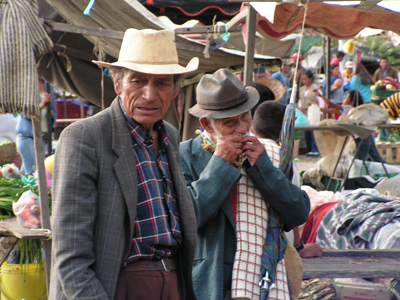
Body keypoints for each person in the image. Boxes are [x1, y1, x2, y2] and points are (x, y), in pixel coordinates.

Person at [50, 28, 199, 300]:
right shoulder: (86, 136)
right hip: (116, 285)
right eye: (137, 81)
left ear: (177, 89)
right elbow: (71, 257)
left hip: (171, 281)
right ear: (118, 84)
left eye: (162, 83)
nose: (150, 95)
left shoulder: (170, 135)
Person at [180, 68, 310, 300]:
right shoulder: (184, 155)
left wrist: (264, 168)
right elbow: (188, 217)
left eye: (245, 117)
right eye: (230, 122)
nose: (241, 128)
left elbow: (297, 213)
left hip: (264, 278)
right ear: (207, 125)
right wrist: (220, 164)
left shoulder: (266, 152)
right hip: (209, 282)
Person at [252, 101, 323, 259]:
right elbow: (294, 210)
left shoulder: (241, 153)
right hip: (281, 250)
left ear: (251, 126)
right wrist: (299, 248)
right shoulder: (287, 163)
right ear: (287, 133)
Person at [316, 89, 385, 163]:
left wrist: (321, 96)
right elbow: (329, 110)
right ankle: (390, 170)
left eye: (347, 97)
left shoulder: (349, 108)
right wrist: (315, 108)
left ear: (352, 102)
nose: (344, 99)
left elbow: (331, 105)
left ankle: (387, 171)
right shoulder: (348, 110)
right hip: (367, 135)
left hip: (362, 137)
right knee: (375, 157)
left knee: (359, 161)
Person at [16, 83, 54, 175]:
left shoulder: (48, 85)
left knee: (27, 173)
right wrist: (41, 106)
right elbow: (24, 113)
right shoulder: (26, 85)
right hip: (28, 138)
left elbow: (54, 111)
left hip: (43, 137)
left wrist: (52, 115)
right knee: (34, 173)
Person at [299, 70, 323, 156]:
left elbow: (321, 101)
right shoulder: (301, 89)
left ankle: (315, 149)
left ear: (310, 79)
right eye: (302, 79)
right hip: (305, 114)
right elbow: (300, 100)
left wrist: (321, 112)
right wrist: (300, 108)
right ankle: (309, 149)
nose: (304, 81)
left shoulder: (316, 88)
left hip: (314, 113)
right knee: (307, 133)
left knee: (314, 132)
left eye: (305, 79)